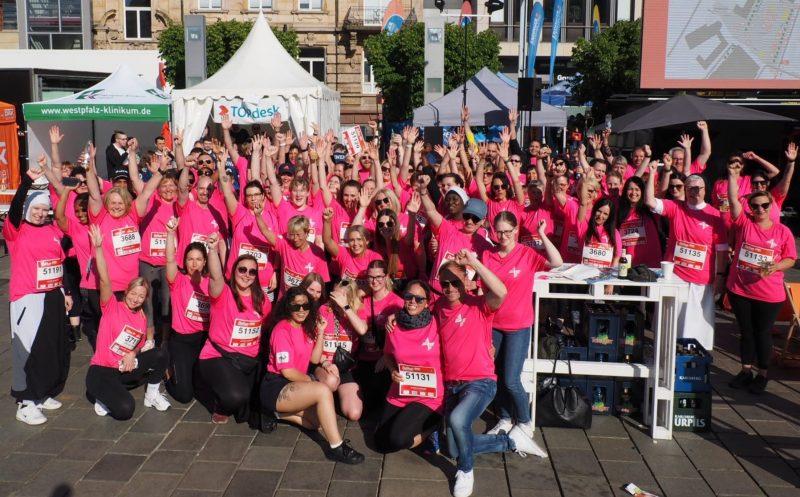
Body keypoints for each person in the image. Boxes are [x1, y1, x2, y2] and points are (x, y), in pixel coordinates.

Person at [434, 251, 546, 497]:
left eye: (455, 282)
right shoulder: (439, 307)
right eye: (444, 283)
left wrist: (473, 262)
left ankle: (465, 470)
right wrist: (392, 317)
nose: (450, 288)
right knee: (453, 447)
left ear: (466, 279)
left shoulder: (480, 303)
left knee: (458, 421)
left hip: (480, 381)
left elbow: (502, 292)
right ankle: (511, 442)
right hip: (453, 384)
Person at [262, 287, 365, 464]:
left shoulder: (304, 327)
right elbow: (287, 371)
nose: (301, 310)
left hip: (294, 386)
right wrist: (312, 381)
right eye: (296, 307)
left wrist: (321, 332)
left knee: (316, 423)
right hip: (277, 385)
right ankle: (336, 447)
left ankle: (273, 414)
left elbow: (315, 358)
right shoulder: (282, 330)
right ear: (287, 307)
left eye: (305, 305)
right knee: (323, 391)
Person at [482, 213, 562, 437]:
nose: (503, 236)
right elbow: (483, 290)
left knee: (511, 379)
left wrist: (542, 235)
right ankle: (505, 418)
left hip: (518, 325)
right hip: (494, 323)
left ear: (516, 230)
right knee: (497, 376)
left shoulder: (526, 254)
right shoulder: (488, 255)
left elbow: (556, 263)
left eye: (507, 231)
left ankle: (525, 421)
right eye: (499, 232)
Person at [4, 162, 70, 425]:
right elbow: (14, 212)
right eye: (36, 210)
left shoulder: (53, 231)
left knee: (50, 348)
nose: (41, 214)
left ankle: (41, 393)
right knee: (26, 349)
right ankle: (25, 401)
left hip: (52, 295)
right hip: (27, 297)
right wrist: (26, 184)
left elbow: (58, 264)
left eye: (45, 210)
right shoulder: (16, 232)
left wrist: (64, 291)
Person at [85, 225, 171, 419]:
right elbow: (105, 279)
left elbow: (138, 345)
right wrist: (98, 248)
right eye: (133, 294)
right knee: (125, 410)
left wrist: (132, 353)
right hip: (103, 369)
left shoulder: (141, 318)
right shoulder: (112, 306)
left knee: (160, 354)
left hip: (125, 368)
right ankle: (100, 394)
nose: (136, 299)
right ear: (126, 292)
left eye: (141, 296)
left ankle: (152, 394)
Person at [725, 167, 796, 394]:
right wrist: (732, 176)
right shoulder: (744, 223)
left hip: (769, 293)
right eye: (755, 206)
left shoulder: (782, 231)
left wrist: (776, 266)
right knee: (746, 332)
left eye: (765, 205)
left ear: (771, 206)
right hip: (740, 289)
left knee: (762, 333)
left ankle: (762, 374)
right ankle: (745, 370)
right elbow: (733, 200)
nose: (760, 209)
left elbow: (791, 259)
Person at [645, 165, 727, 350]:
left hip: (700, 281)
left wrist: (721, 276)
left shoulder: (715, 216)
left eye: (698, 188)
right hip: (674, 277)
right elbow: (650, 201)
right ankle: (665, 356)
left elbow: (722, 250)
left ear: (705, 190)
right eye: (689, 188)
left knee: (694, 330)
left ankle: (691, 362)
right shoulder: (676, 208)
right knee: (669, 325)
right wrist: (651, 174)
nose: (694, 192)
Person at [195, 237, 271, 424]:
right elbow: (215, 276)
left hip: (247, 361)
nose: (247, 274)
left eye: (252, 271)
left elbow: (265, 328)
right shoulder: (223, 293)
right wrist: (212, 250)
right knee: (236, 397)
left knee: (247, 413)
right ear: (234, 271)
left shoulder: (262, 300)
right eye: (242, 269)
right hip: (219, 356)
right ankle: (216, 402)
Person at [375, 280, 444, 453]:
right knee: (380, 443)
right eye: (409, 297)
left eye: (419, 299)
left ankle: (432, 427)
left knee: (397, 439)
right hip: (401, 390)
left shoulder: (438, 323)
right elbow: (388, 355)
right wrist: (392, 371)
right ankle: (415, 425)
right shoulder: (393, 325)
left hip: (429, 394)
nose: (413, 301)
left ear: (427, 303)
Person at [164, 217, 211, 403]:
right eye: (190, 259)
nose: (194, 263)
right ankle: (167, 371)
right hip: (182, 341)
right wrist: (170, 233)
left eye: (199, 259)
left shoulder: (211, 284)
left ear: (205, 261)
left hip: (204, 341)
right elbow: (169, 258)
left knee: (204, 389)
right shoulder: (178, 280)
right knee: (184, 396)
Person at [356, 260, 404, 409]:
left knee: (375, 398)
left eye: (378, 277)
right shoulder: (362, 300)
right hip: (362, 357)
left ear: (386, 277)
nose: (374, 281)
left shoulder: (397, 303)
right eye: (370, 277)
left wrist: (386, 356)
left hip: (384, 360)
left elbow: (402, 338)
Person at [318, 279, 368, 421]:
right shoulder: (324, 309)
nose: (335, 298)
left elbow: (362, 329)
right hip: (324, 364)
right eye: (334, 294)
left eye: (340, 296)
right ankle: (323, 399)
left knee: (354, 414)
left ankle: (338, 396)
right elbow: (312, 344)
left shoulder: (359, 309)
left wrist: (346, 307)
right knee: (331, 381)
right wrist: (325, 363)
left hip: (345, 366)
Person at [322, 209, 383, 287]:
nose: (355, 244)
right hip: (345, 296)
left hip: (366, 297)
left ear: (367, 241)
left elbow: (379, 283)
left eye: (359, 239)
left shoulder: (375, 257)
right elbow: (327, 241)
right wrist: (327, 222)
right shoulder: (344, 253)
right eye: (352, 240)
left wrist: (358, 295)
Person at [616, 176, 664, 267]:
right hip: (627, 264)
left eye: (637, 189)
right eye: (630, 189)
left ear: (642, 191)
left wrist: (657, 172)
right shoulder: (619, 211)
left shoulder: (650, 209)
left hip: (651, 265)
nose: (633, 193)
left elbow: (662, 191)